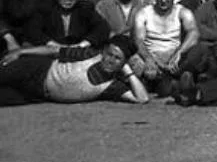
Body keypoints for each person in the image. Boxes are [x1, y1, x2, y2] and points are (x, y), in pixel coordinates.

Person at [0, 34, 149, 105]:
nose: (110, 60)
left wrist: (128, 72)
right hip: (37, 69)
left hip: (38, 94)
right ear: (103, 51)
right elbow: (54, 50)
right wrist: (21, 52)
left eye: (117, 58)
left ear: (123, 63)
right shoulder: (89, 54)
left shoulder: (112, 86)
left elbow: (142, 98)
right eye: (109, 54)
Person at [130, 0, 200, 95]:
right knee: (136, 62)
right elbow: (139, 40)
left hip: (175, 59)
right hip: (151, 58)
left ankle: (174, 82)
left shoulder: (183, 12)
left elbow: (194, 33)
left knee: (199, 50)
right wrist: (149, 59)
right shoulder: (144, 13)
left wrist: (179, 53)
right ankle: (167, 84)